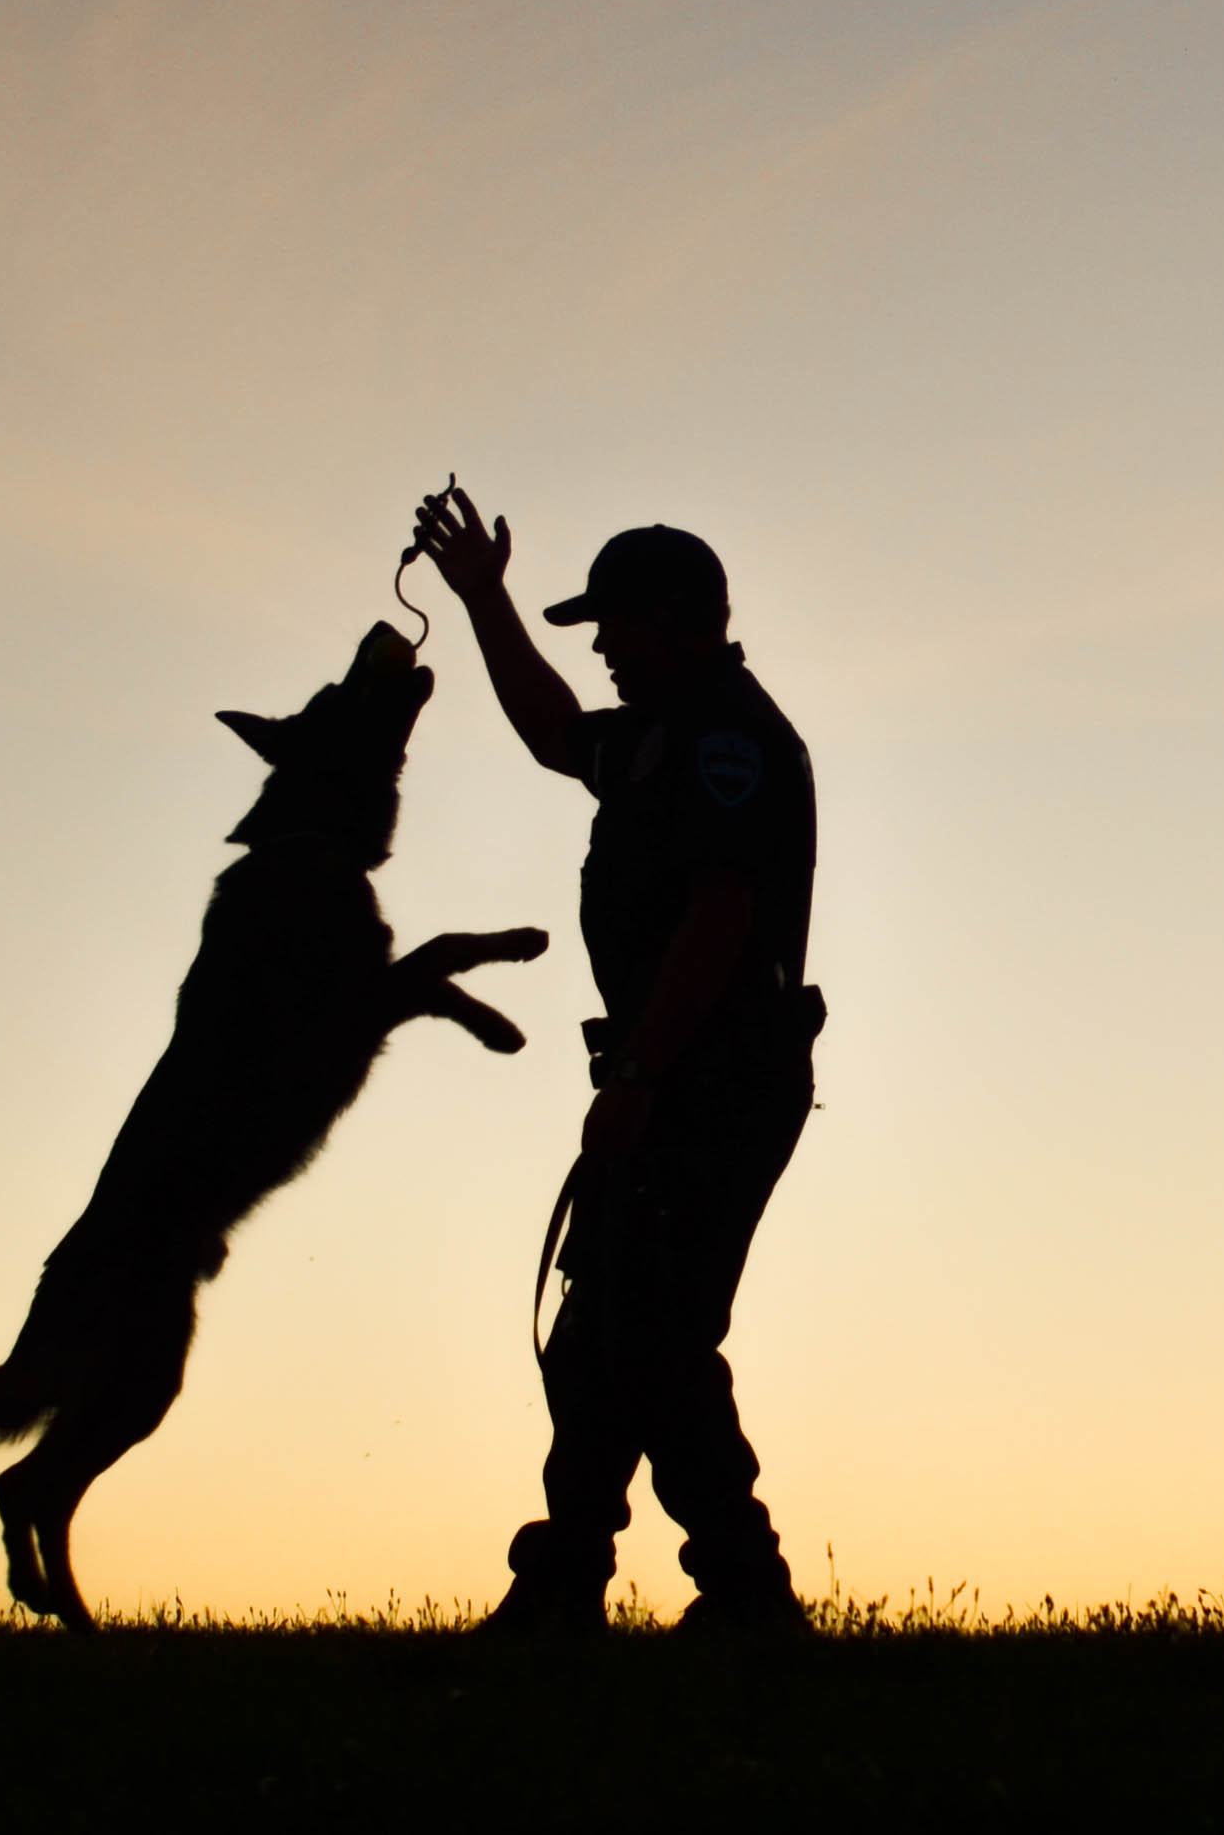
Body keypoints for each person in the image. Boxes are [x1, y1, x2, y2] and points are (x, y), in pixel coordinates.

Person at [412, 486, 824, 1636]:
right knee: (613, 1329)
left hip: (711, 1077)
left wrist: (638, 1076)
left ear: (674, 618)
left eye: (614, 625)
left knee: (646, 1329)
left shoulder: (727, 739)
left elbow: (718, 917)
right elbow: (553, 731)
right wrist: (482, 600)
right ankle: (606, 1582)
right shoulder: (661, 732)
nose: (599, 647)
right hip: (675, 1072)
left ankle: (723, 1591)